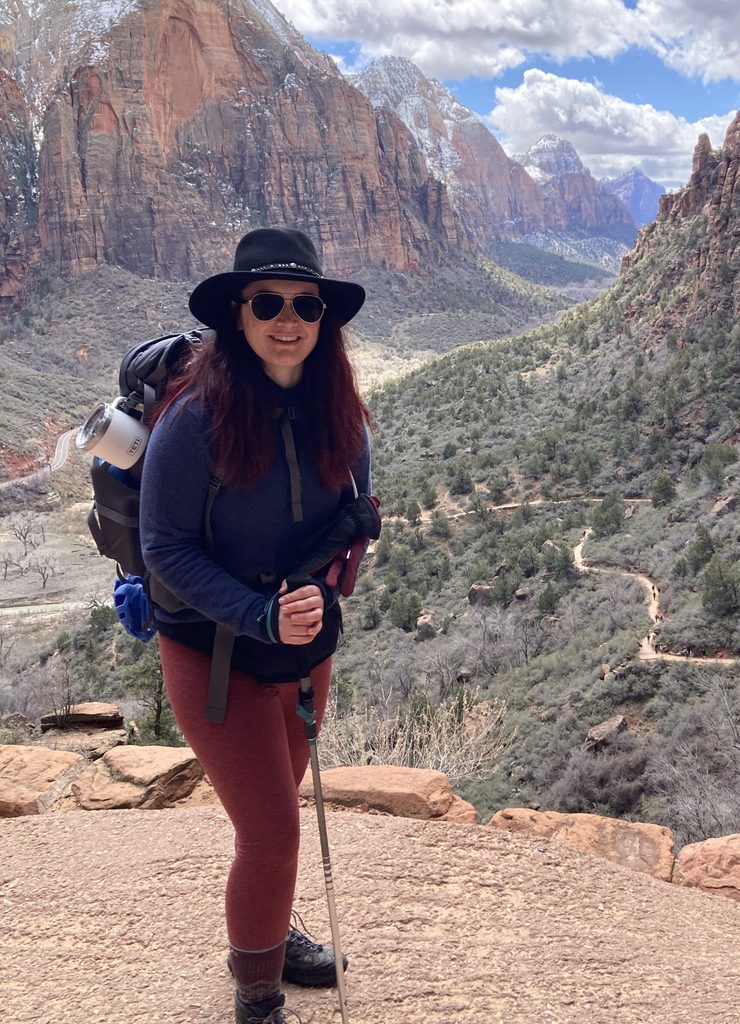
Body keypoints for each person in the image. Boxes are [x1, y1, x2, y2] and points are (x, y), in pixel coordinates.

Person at [140, 227, 379, 1024]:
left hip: (304, 649)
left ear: (324, 318)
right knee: (274, 834)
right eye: (267, 303)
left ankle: (272, 932)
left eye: (305, 304)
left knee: (281, 808)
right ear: (237, 316)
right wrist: (258, 614)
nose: (288, 319)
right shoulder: (194, 420)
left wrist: (326, 582)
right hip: (215, 654)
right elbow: (163, 547)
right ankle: (257, 997)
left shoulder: (341, 413)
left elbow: (353, 518)